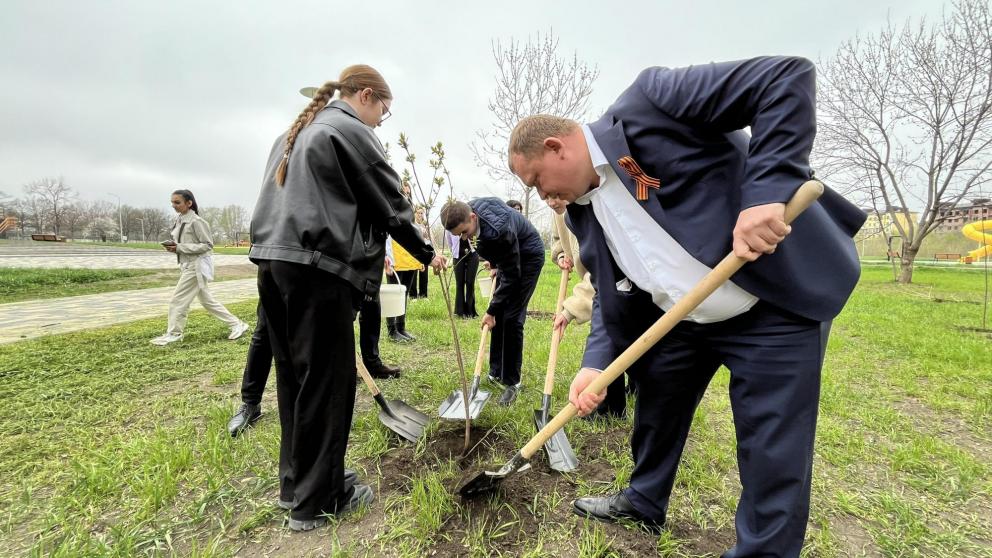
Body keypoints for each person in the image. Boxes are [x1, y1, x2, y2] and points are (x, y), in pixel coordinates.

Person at [507, 57, 866, 556]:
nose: (541, 195)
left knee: (772, 447)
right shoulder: (584, 214)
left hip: (770, 306)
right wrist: (595, 366)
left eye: (536, 180)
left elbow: (784, 78)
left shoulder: (651, 104)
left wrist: (765, 193)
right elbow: (614, 298)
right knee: (656, 408)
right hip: (681, 320)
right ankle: (643, 500)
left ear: (555, 147)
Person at [249, 64, 444, 532]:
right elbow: (389, 202)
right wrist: (427, 250)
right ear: (367, 96)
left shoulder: (294, 133)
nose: (381, 121)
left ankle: (298, 483)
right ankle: (319, 500)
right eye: (384, 111)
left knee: (295, 378)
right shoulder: (349, 129)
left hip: (274, 263)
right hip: (319, 267)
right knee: (329, 382)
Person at [440, 197, 544, 405]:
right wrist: (496, 263)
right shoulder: (469, 212)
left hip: (528, 255)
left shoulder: (499, 232)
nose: (462, 238)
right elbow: (499, 253)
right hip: (509, 255)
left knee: (512, 317)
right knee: (498, 316)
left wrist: (491, 309)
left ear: (472, 216)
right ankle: (496, 371)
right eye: (456, 235)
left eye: (464, 233)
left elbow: (513, 276)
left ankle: (512, 381)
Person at [548, 206, 625, 419]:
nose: (550, 201)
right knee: (607, 338)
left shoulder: (593, 208)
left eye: (554, 195)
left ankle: (613, 408)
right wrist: (562, 253)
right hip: (595, 281)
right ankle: (610, 407)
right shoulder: (556, 203)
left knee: (614, 334)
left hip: (614, 283)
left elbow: (601, 275)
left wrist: (569, 310)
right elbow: (558, 237)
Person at [151, 189, 249, 346]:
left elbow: (207, 245)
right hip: (186, 264)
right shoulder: (179, 220)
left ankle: (174, 333)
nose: (174, 205)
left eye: (177, 202)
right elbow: (184, 243)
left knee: (178, 300)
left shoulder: (196, 221)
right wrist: (174, 247)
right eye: (172, 202)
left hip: (196, 266)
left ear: (189, 203)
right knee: (207, 301)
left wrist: (180, 247)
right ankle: (237, 324)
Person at [384, 235, 420, 342]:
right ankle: (392, 330)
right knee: (393, 296)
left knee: (404, 294)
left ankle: (400, 327)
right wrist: (386, 255)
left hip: (409, 257)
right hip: (394, 257)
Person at [444, 227, 479, 318]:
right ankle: (460, 312)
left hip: (472, 255)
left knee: (470, 282)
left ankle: (470, 311)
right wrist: (454, 252)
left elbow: (476, 238)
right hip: (457, 256)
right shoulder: (450, 226)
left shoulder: (468, 222)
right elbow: (449, 242)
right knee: (459, 283)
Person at [413, 206, 432, 299]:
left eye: (421, 213)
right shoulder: (412, 224)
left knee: (424, 274)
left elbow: (428, 240)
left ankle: (423, 295)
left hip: (424, 252)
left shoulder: (425, 226)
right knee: (413, 273)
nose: (420, 215)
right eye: (418, 213)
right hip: (414, 252)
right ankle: (413, 296)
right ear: (414, 213)